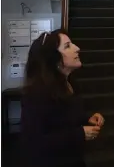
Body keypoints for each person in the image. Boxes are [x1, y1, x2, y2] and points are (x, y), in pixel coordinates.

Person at [20, 29, 105, 167]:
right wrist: (79, 134)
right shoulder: (36, 94)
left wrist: (86, 118)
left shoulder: (70, 84)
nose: (77, 48)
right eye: (67, 46)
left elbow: (64, 118)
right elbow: (35, 142)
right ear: (54, 60)